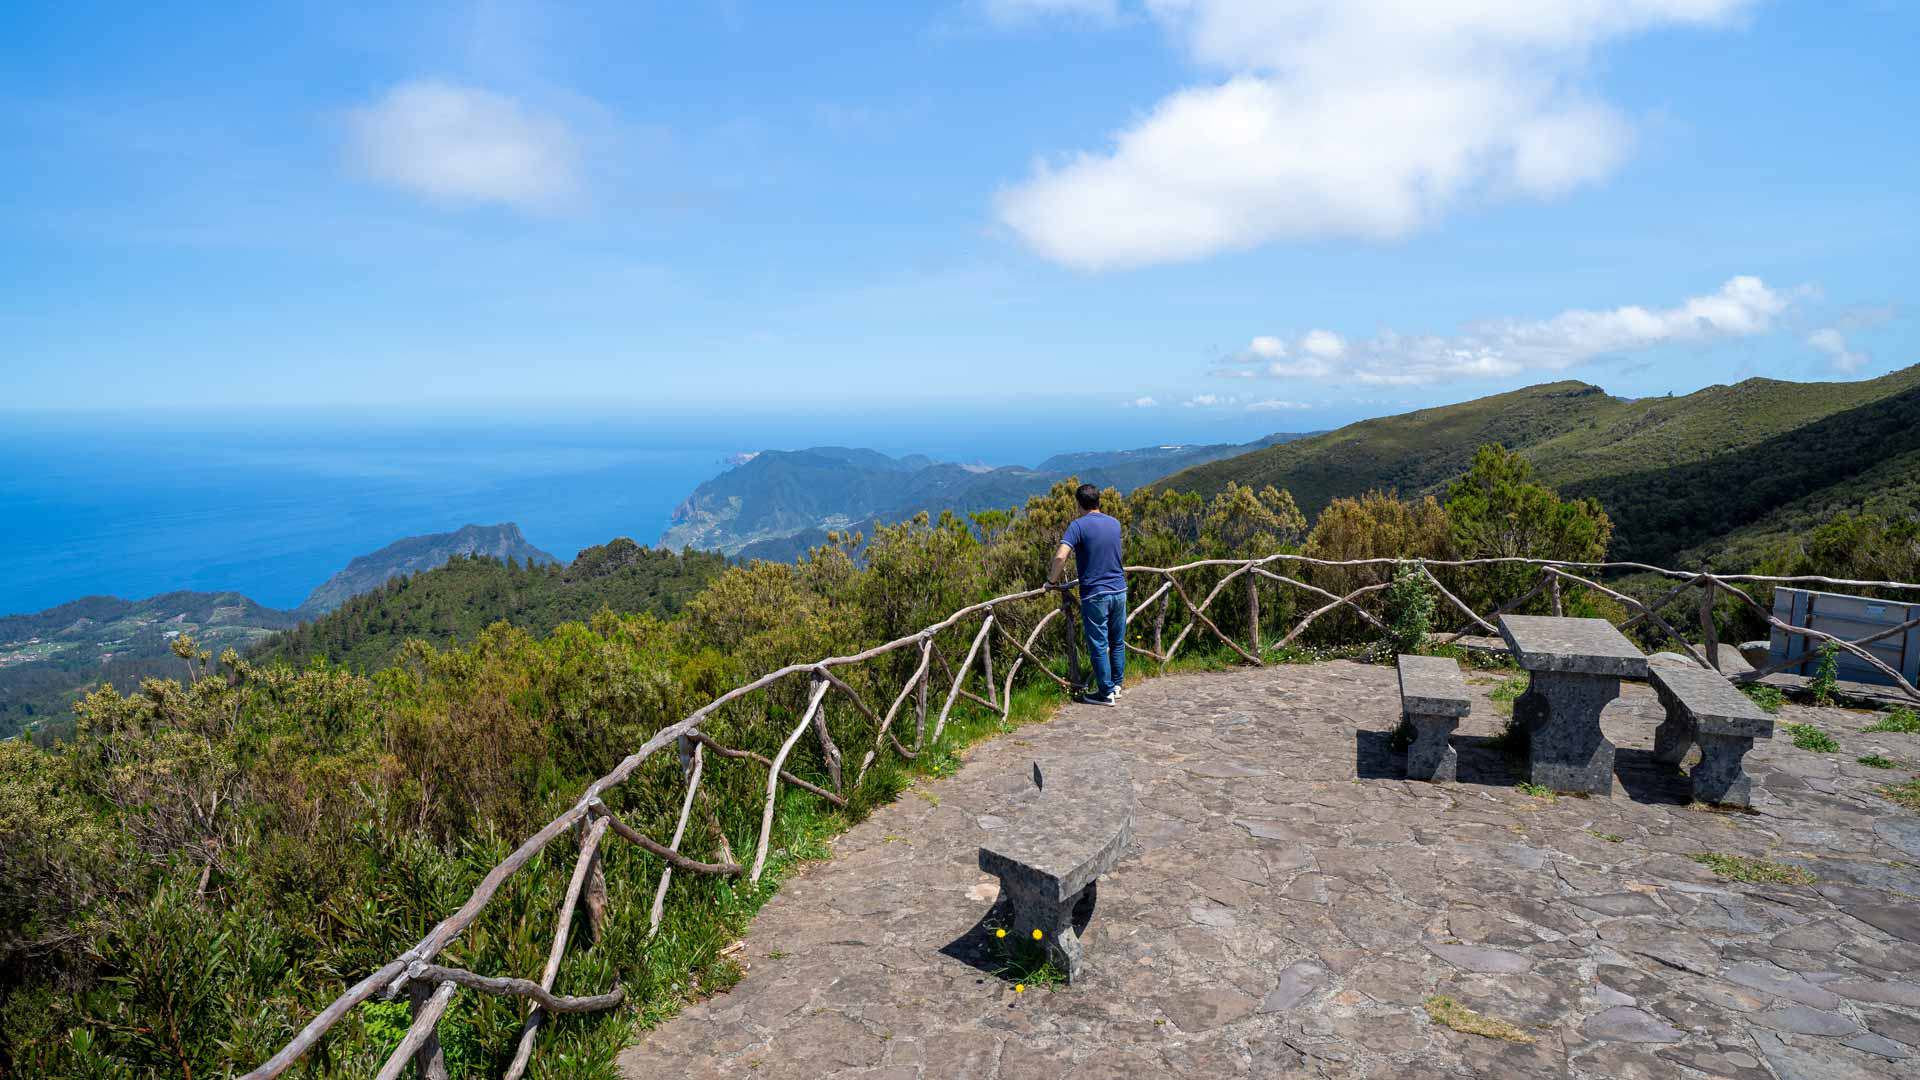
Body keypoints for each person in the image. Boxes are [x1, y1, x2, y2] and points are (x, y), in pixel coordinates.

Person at [1048, 483, 1126, 705]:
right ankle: (1117, 685)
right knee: (1117, 641)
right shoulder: (1114, 523)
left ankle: (1105, 693)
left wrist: (1051, 581)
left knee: (1099, 644)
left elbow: (1061, 556)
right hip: (1119, 590)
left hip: (1095, 593)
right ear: (1098, 501)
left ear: (1079, 504)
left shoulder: (1077, 526)